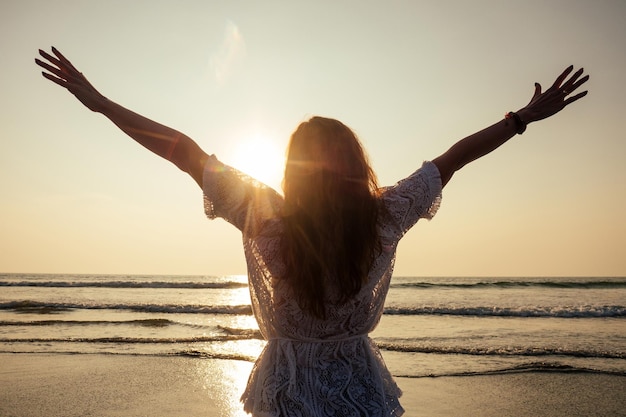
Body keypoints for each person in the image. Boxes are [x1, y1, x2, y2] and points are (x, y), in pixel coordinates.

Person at [35, 47, 588, 417]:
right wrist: (520, 119)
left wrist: (98, 102)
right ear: (355, 162)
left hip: (288, 388)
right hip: (359, 386)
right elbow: (455, 158)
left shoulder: (266, 216)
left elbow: (181, 150)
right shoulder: (384, 214)